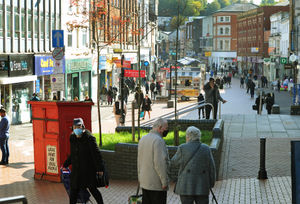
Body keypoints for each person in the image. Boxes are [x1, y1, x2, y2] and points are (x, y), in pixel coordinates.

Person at [63, 118, 104, 204]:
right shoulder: (73, 138)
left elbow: (96, 154)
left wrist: (100, 169)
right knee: (73, 192)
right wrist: (65, 164)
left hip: (88, 171)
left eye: (79, 126)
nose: (77, 129)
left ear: (83, 127)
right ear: (73, 128)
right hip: (77, 171)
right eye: (75, 127)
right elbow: (73, 154)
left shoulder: (89, 138)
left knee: (93, 190)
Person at [170, 126, 216, 204]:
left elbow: (174, 163)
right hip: (202, 185)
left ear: (187, 137)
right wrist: (211, 183)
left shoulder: (182, 148)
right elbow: (212, 168)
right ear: (199, 136)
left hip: (186, 185)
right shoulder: (206, 148)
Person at [137, 118, 170, 204]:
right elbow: (160, 163)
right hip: (156, 184)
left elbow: (139, 161)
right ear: (160, 128)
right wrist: (164, 182)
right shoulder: (159, 141)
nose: (167, 130)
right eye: (166, 128)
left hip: (145, 182)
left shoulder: (143, 139)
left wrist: (140, 177)